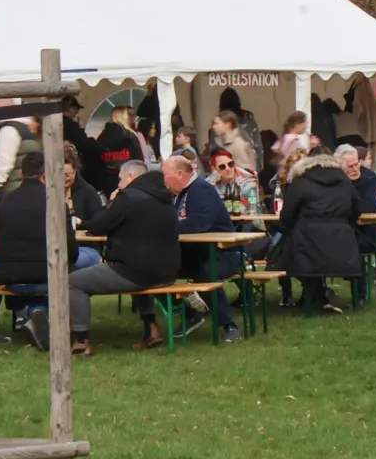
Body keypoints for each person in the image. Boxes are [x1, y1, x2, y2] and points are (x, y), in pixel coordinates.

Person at [68, 160, 180, 353]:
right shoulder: (164, 197)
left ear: (130, 177)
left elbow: (99, 225)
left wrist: (112, 202)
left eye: (120, 179)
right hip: (167, 272)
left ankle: (81, 341)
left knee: (74, 282)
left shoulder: (128, 197)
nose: (118, 184)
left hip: (136, 271)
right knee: (135, 271)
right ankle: (151, 329)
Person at [0, 154, 78, 353]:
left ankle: (32, 313)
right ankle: (40, 312)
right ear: (46, 175)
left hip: (11, 278)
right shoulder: (55, 203)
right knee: (88, 259)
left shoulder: (4, 203)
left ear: (21, 173)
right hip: (49, 275)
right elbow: (71, 249)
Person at [274, 150, 363, 312]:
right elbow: (357, 208)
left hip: (308, 245)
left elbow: (286, 216)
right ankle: (356, 298)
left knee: (284, 248)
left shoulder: (299, 182)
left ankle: (314, 296)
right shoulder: (344, 181)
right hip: (342, 244)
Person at [166, 154, 243, 341]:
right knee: (154, 271)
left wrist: (164, 228)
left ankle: (229, 325)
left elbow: (199, 223)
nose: (163, 179)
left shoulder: (202, 190)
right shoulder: (181, 194)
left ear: (179, 174)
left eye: (165, 174)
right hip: (195, 253)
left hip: (224, 253)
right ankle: (189, 314)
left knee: (206, 273)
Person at [0, 107, 40, 202]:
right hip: (30, 189)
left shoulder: (8, 130)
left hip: (12, 192)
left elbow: (5, 163)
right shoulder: (27, 129)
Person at [90, 105, 142, 194]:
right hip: (129, 181)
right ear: (124, 117)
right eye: (128, 115)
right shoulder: (130, 136)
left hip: (107, 182)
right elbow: (139, 160)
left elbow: (96, 161)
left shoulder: (102, 137)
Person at [209, 110, 257, 176]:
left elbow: (244, 170)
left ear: (228, 125)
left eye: (217, 123)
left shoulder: (238, 143)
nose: (214, 127)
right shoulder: (222, 143)